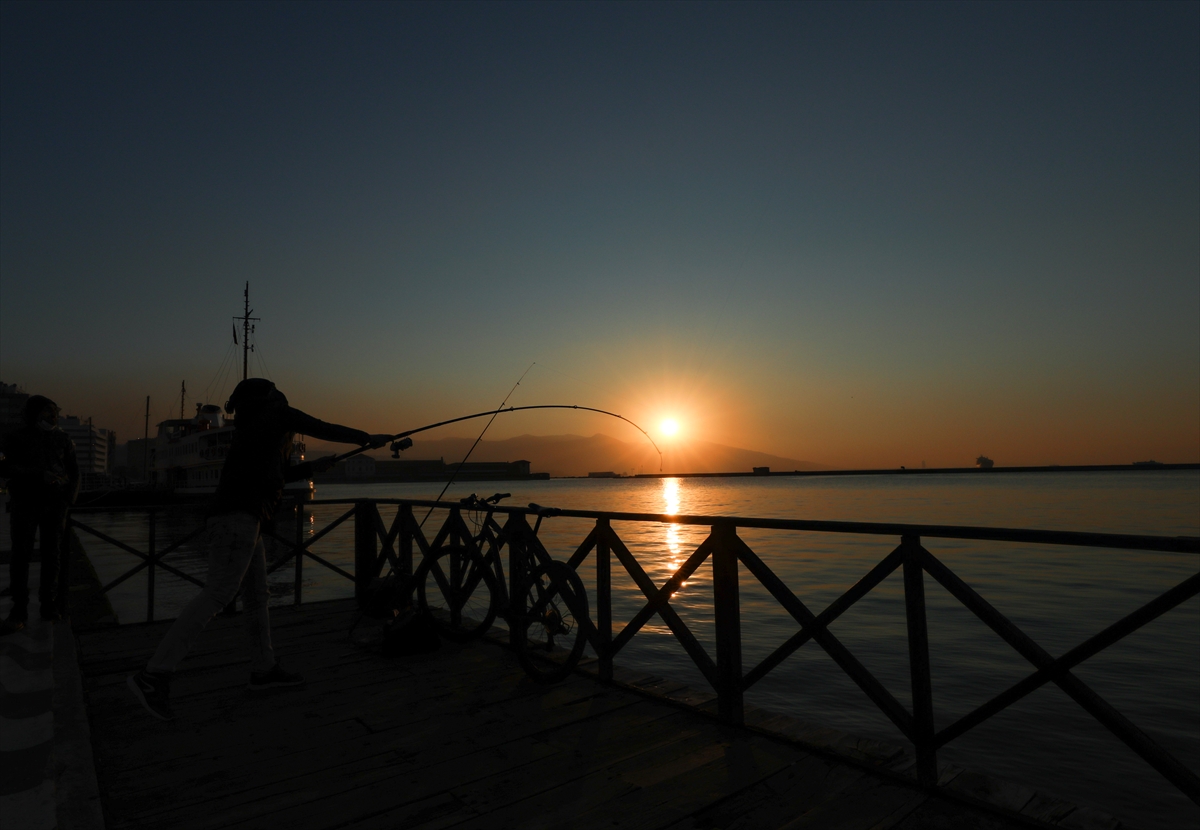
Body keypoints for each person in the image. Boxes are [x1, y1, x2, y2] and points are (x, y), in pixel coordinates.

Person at [127, 378, 390, 720]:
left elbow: (276, 473)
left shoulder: (250, 424)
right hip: (240, 517)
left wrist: (312, 468)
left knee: (256, 596)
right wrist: (367, 438)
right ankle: (153, 675)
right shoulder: (274, 411)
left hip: (242, 518)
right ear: (270, 395)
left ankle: (263, 670)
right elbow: (320, 427)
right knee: (219, 593)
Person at [0, 396, 80, 634]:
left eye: (55, 412)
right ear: (35, 413)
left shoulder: (63, 439)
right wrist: (38, 475)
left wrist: (68, 500)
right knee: (21, 555)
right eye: (48, 412)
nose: (53, 416)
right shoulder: (17, 437)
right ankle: (19, 610)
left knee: (52, 554)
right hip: (25, 502)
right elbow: (5, 467)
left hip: (55, 505)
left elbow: (74, 472)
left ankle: (49, 605)